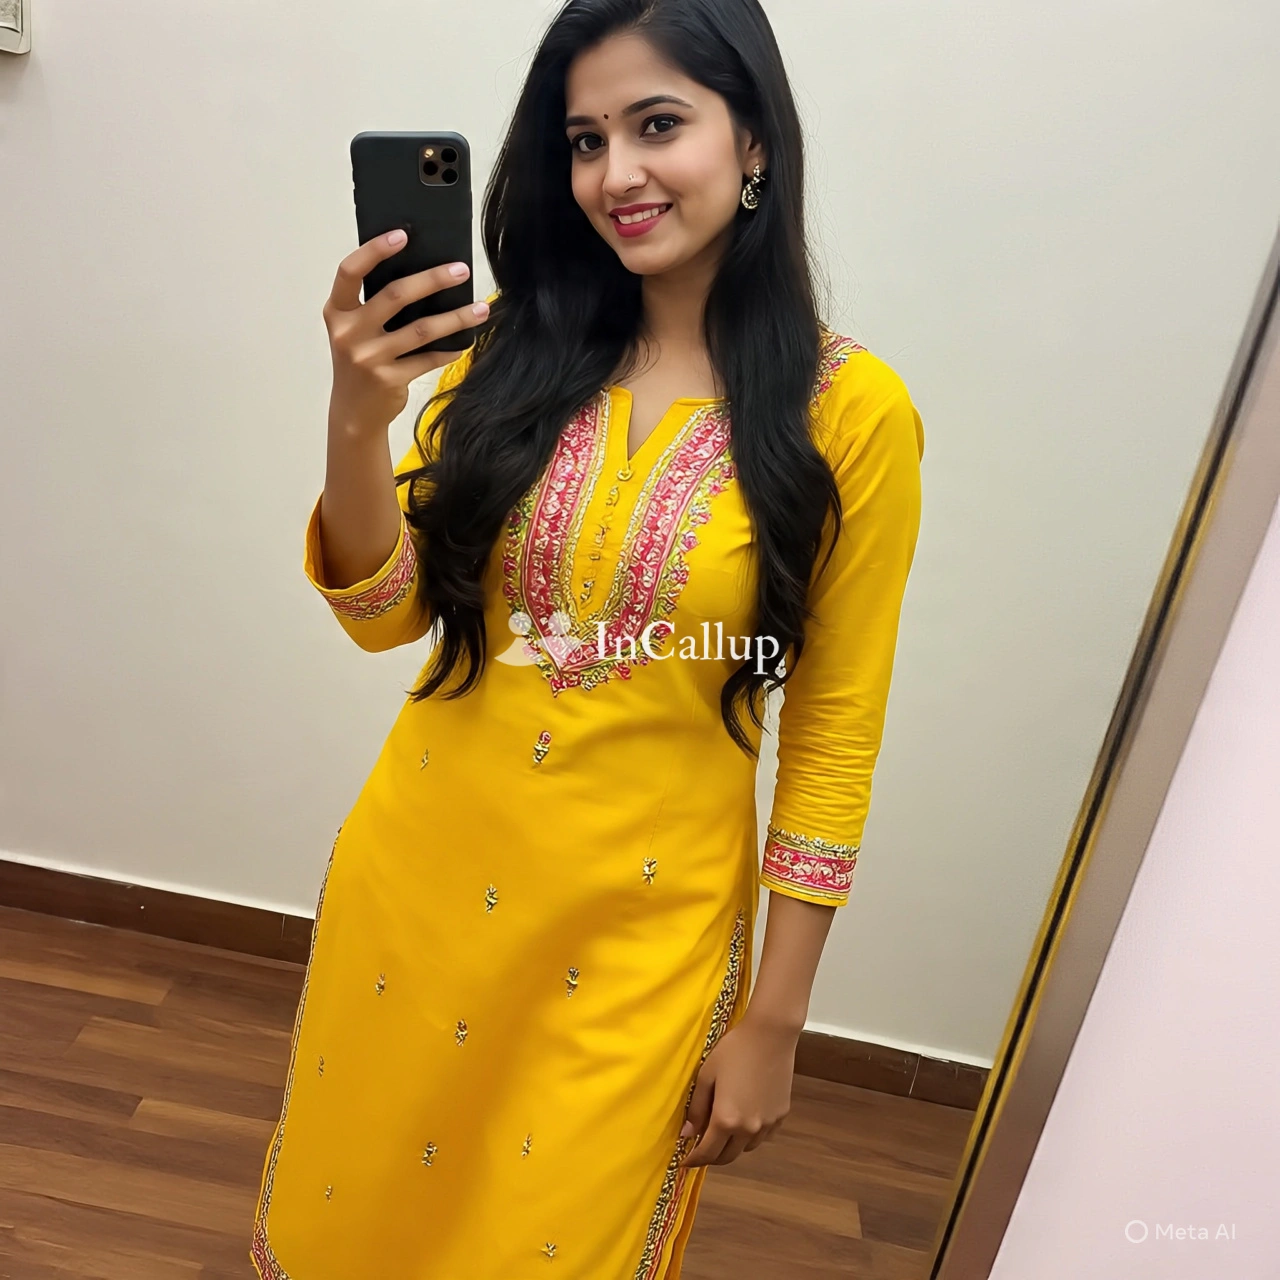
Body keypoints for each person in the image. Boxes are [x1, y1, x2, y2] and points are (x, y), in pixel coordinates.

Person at [250, 1, 923, 1276]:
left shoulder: (847, 413)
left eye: (656, 125)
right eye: (584, 139)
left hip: (636, 943)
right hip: (419, 896)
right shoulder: (509, 354)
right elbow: (384, 614)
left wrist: (775, 1018)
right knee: (362, 1225)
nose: (616, 174)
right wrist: (355, 416)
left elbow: (834, 730)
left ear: (754, 139)